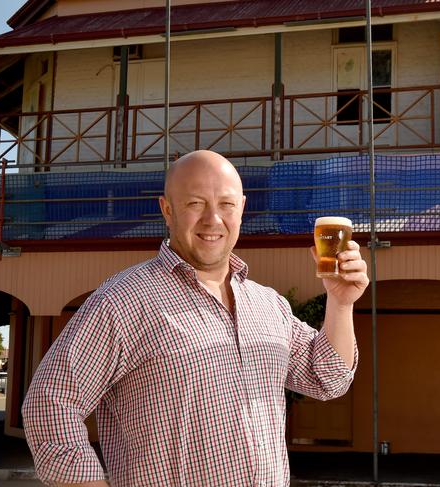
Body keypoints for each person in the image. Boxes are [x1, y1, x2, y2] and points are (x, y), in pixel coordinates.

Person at [22, 150, 369, 487]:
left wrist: (340, 303)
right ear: (167, 210)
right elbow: (49, 403)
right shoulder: (124, 300)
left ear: (242, 209)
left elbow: (329, 378)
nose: (213, 219)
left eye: (226, 204)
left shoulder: (269, 305)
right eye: (195, 203)